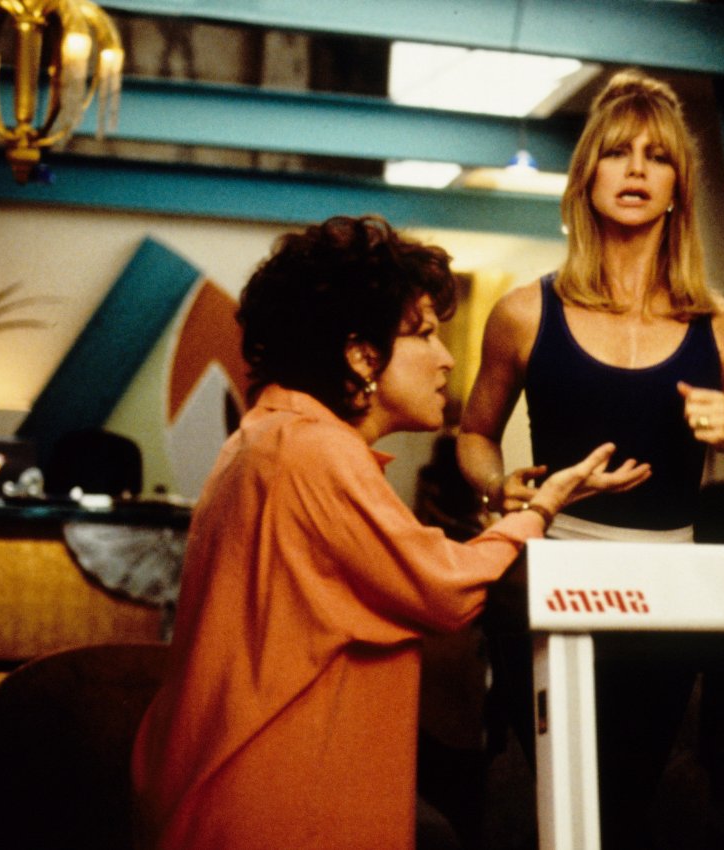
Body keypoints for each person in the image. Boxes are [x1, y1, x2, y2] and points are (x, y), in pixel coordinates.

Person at [130, 215, 635, 850]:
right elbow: (443, 588)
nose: (447, 358)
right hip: (276, 800)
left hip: (233, 784)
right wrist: (539, 510)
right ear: (362, 356)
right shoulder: (314, 450)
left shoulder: (271, 434)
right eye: (424, 334)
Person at [457, 70, 724, 848]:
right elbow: (473, 434)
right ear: (586, 177)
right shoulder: (524, 312)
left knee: (628, 806)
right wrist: (499, 486)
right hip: (549, 575)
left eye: (657, 156)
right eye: (616, 152)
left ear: (677, 187)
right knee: (553, 797)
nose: (636, 170)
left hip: (668, 590)